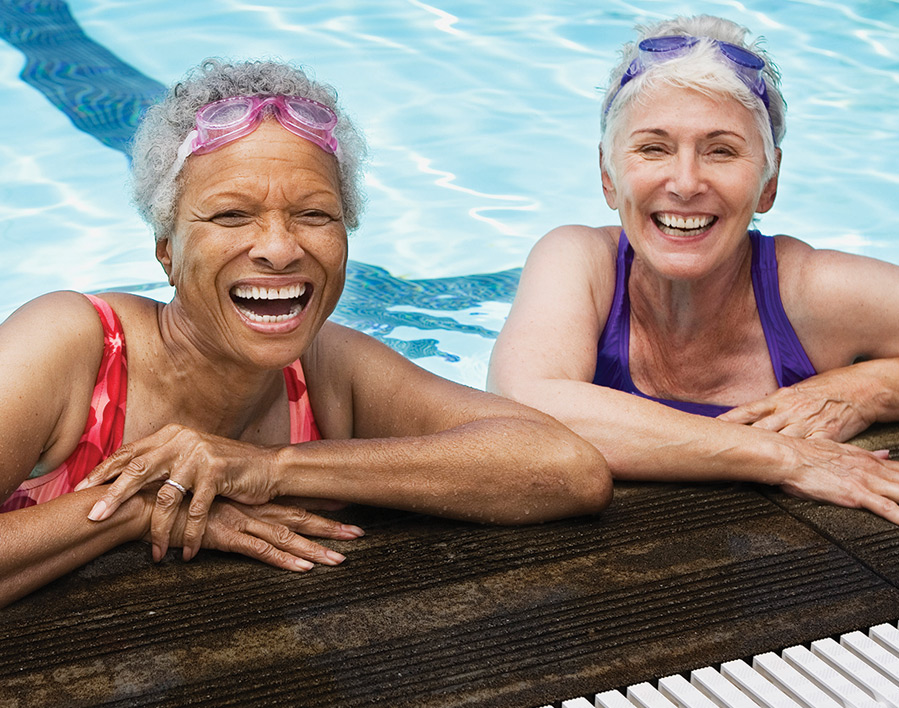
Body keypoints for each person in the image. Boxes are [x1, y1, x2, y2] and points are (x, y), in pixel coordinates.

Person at [0, 58, 612, 607]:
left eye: (315, 214)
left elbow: (566, 468)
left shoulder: (327, 370)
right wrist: (135, 510)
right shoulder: (72, 345)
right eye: (232, 215)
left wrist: (270, 469)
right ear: (166, 251)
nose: (279, 248)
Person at [488, 14, 899, 532]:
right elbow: (521, 406)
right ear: (608, 177)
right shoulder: (580, 261)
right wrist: (786, 456)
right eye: (654, 147)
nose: (686, 182)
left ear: (770, 181)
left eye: (722, 151)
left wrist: (868, 388)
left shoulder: (810, 291)